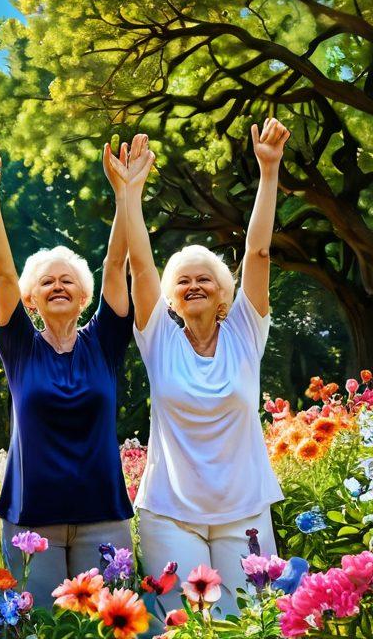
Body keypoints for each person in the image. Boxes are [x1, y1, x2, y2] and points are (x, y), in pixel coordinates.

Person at [119, 122, 289, 614]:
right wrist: (130, 194)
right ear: (172, 296)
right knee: (186, 625)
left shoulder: (244, 333)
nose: (194, 286)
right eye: (184, 281)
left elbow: (257, 252)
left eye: (206, 280)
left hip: (245, 512)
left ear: (222, 292)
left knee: (251, 622)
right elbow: (140, 266)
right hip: (171, 514)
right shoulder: (159, 339)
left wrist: (269, 170)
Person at [0, 143, 135, 605]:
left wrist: (126, 194)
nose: (57, 285)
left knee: (111, 626)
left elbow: (115, 264)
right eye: (46, 281)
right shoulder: (19, 347)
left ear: (84, 296)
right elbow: (3, 274)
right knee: (41, 629)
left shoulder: (104, 343)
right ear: (30, 299)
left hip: (104, 518)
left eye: (67, 279)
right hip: (31, 522)